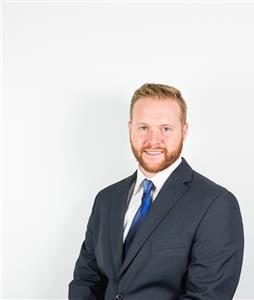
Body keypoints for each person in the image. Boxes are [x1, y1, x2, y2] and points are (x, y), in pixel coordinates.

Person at [69, 83, 244, 300]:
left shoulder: (216, 204)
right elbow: (86, 280)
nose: (154, 140)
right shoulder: (106, 200)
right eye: (144, 127)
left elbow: (206, 296)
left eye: (166, 128)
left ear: (184, 131)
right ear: (130, 129)